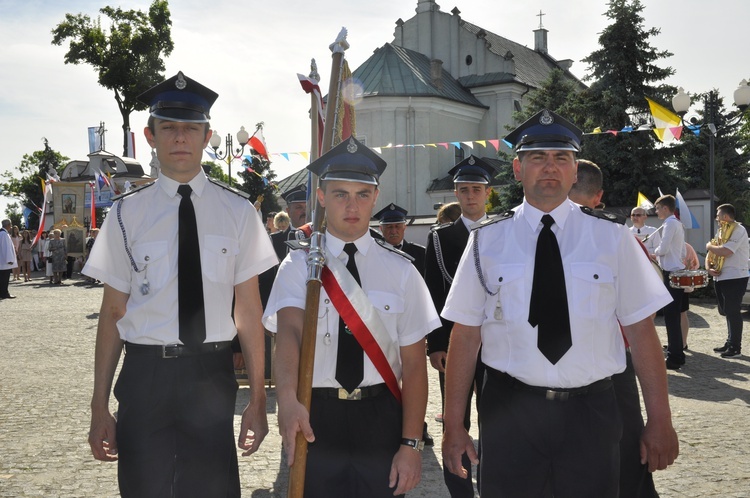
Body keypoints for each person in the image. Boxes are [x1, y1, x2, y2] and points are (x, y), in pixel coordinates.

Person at [441, 109, 679, 497]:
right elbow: (465, 336)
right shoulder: (486, 242)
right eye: (537, 158)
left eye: (561, 158)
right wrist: (454, 426)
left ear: (574, 170)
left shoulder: (612, 239)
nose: (550, 167)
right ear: (518, 169)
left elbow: (641, 330)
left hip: (592, 412)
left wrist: (660, 420)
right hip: (509, 412)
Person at [82, 71, 277, 497]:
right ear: (150, 136)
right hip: (146, 373)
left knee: (214, 490)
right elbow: (114, 312)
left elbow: (248, 311)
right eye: (168, 127)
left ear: (208, 136)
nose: (180, 138)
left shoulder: (239, 212)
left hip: (210, 373)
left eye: (191, 128)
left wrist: (259, 401)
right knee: (144, 489)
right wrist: (99, 404)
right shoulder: (124, 215)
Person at [264, 137, 440, 498]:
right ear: (322, 197)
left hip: (381, 418)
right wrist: (286, 400)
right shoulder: (299, 265)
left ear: (376, 197)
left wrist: (411, 443)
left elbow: (414, 366)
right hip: (316, 413)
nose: (352, 205)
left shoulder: (402, 271)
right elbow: (289, 336)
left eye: (362, 194)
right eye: (340, 193)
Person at [568, 159, 661, 498]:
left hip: (590, 371)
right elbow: (645, 318)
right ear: (600, 196)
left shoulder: (614, 236)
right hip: (613, 364)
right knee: (623, 461)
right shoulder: (622, 238)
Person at [424, 154, 495, 498]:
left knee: (496, 417)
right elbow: (434, 291)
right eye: (463, 190)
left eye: (476, 190)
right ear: (455, 193)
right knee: (456, 419)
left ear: (487, 193)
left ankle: (498, 482)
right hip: (455, 341)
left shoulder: (503, 231)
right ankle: (461, 489)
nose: (470, 196)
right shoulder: (440, 238)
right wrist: (436, 344)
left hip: (499, 340)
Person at [374, 202, 433, 446]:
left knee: (414, 375)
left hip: (412, 322)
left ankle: (419, 426)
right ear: (381, 229)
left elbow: (428, 290)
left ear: (405, 227)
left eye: (397, 225)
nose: (393, 231)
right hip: (383, 324)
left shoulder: (419, 253)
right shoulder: (374, 253)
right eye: (388, 227)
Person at [706, 203, 749, 358]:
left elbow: (725, 251)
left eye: (717, 215)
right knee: (726, 311)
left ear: (725, 216)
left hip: (735, 276)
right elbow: (711, 255)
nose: (716, 218)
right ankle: (730, 342)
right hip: (721, 276)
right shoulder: (721, 231)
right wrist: (708, 268)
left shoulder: (739, 230)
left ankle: (735, 348)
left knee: (733, 311)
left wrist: (708, 246)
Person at [652, 194, 687, 370]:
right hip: (677, 271)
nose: (656, 211)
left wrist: (653, 253)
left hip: (671, 273)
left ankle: (675, 357)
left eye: (658, 208)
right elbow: (682, 252)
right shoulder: (677, 223)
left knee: (671, 317)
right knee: (673, 316)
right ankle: (677, 353)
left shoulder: (670, 224)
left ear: (665, 208)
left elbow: (664, 248)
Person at [680, 242, 700, 350]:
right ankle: (674, 341)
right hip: (670, 285)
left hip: (682, 284)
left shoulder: (687, 247)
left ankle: (683, 342)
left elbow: (695, 264)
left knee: (682, 313)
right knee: (672, 315)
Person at [0, 219, 18, 299]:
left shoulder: (2, 233)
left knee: (2, 278)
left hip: (2, 260)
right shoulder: (4, 234)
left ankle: (2, 292)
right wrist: (10, 259)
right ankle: (4, 293)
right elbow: (6, 248)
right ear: (8, 225)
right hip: (4, 261)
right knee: (4, 278)